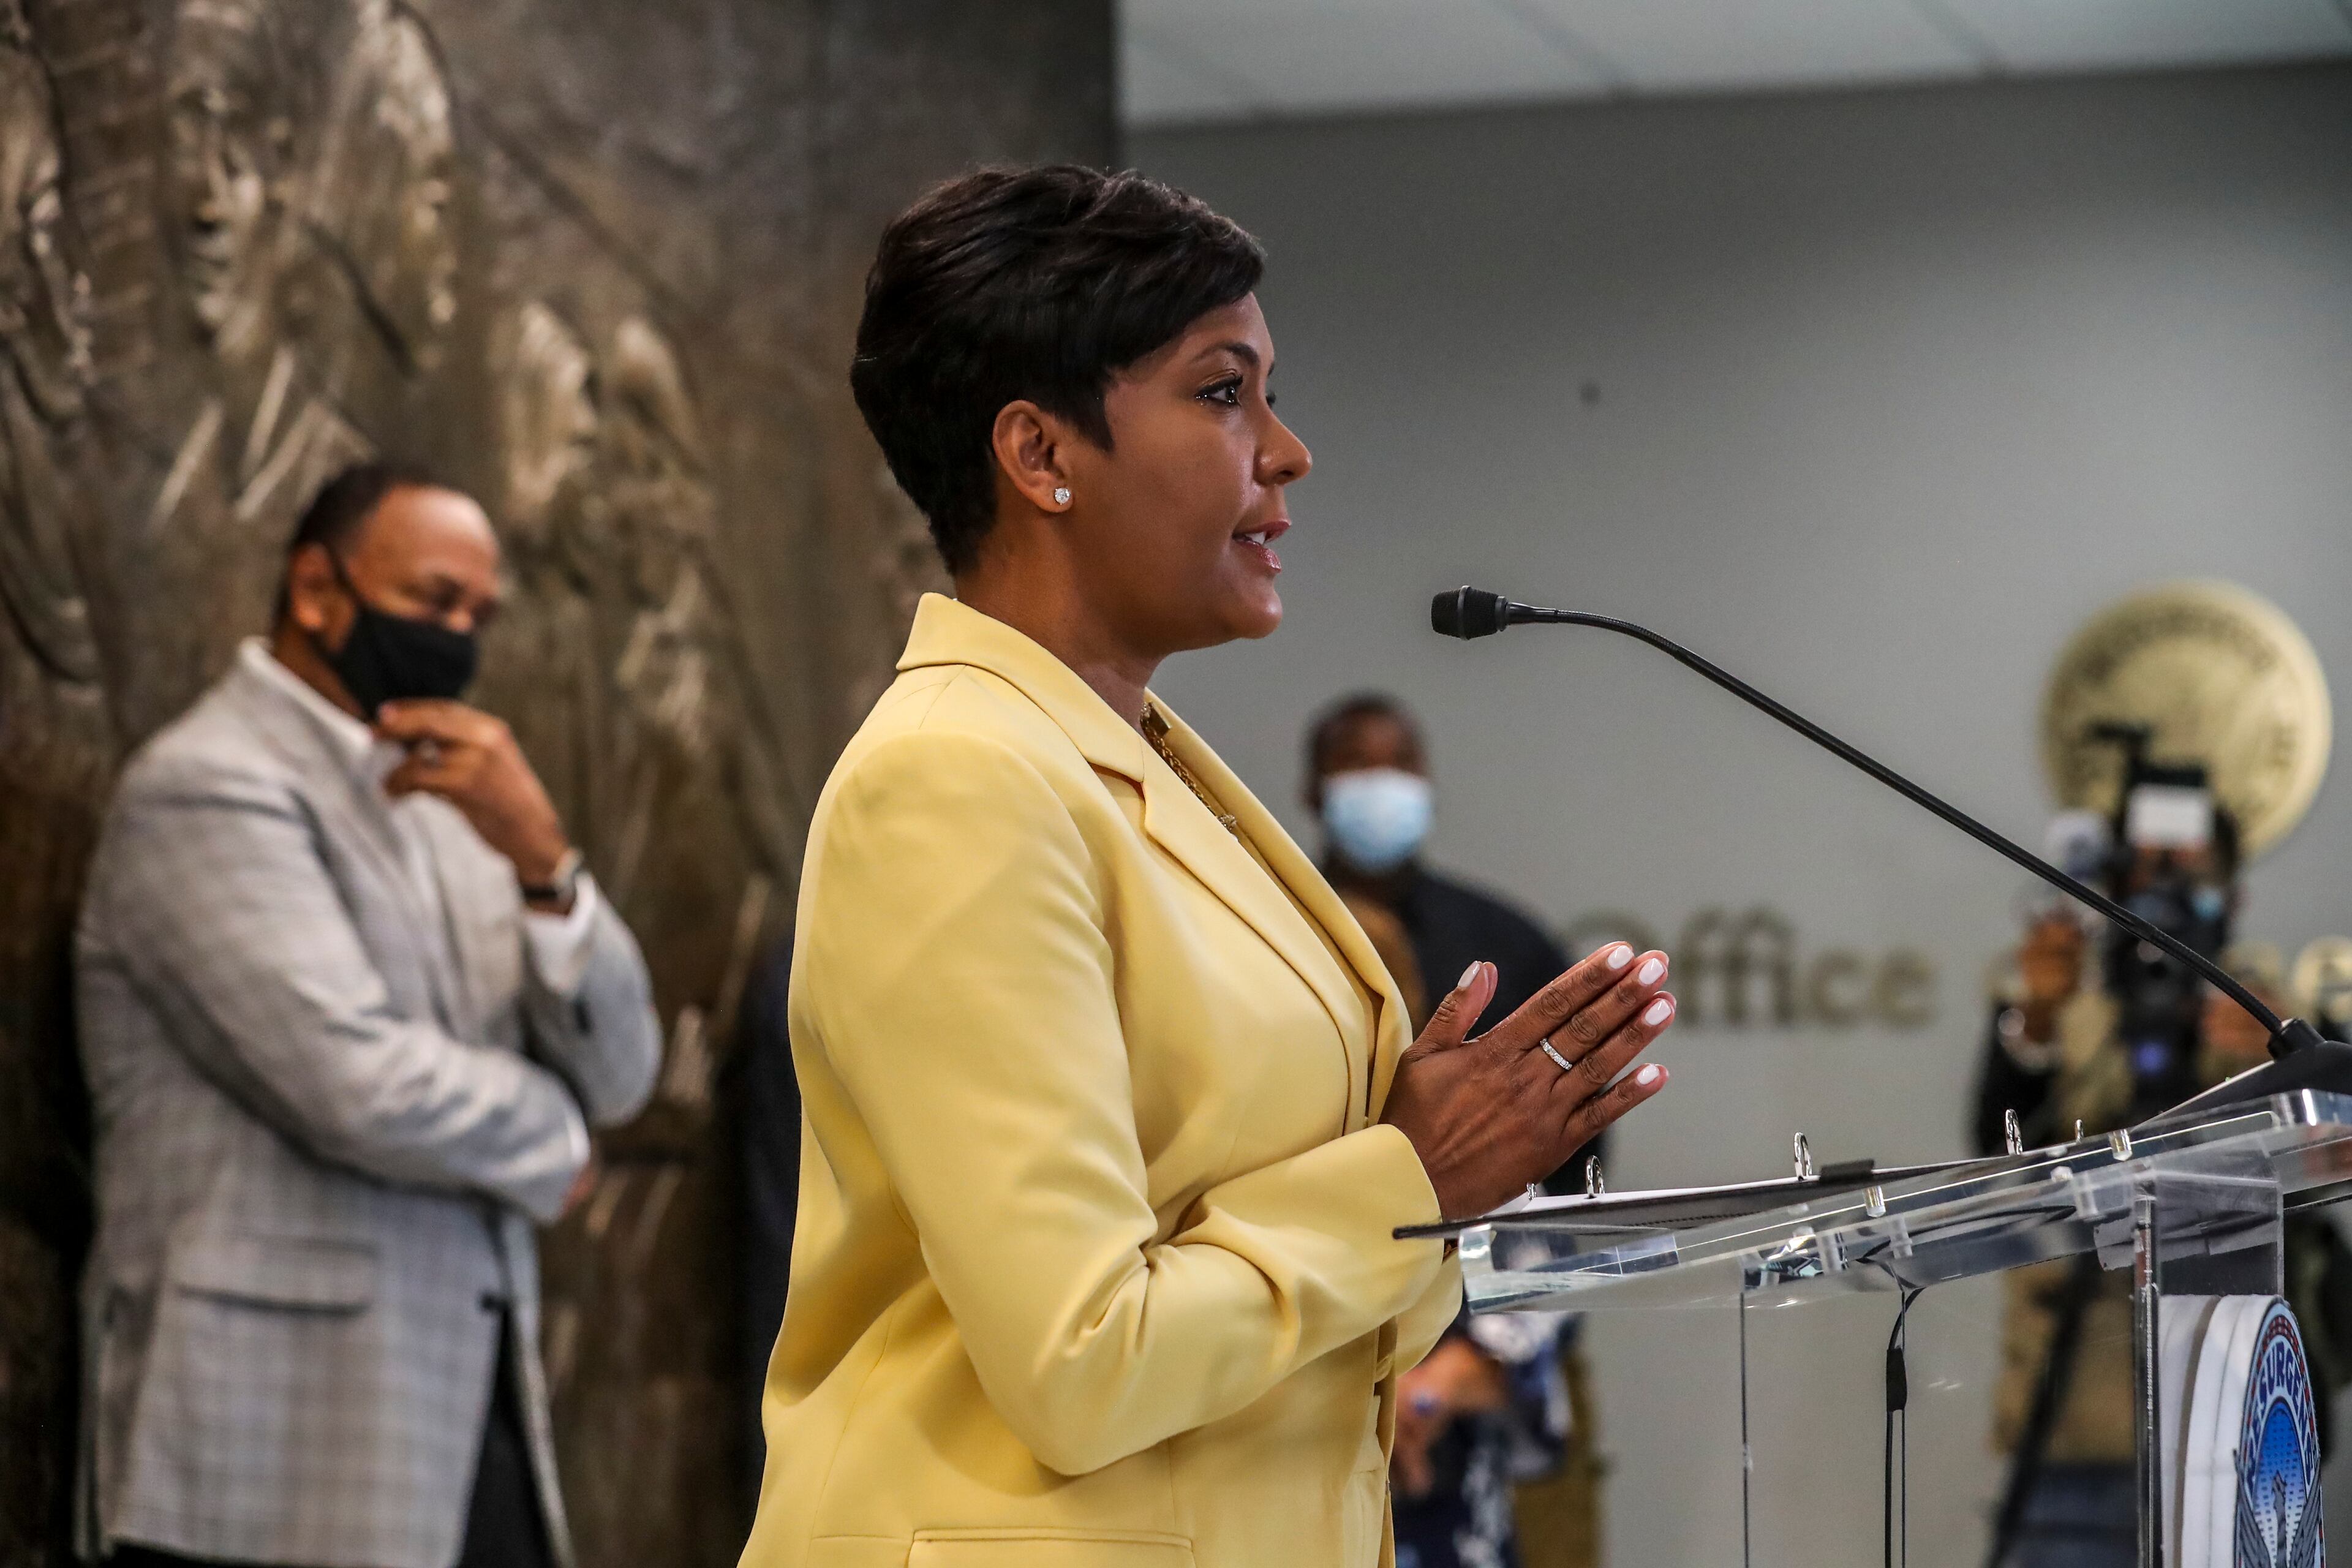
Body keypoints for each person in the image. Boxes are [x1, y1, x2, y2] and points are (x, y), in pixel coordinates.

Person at [739, 165, 1679, 1568]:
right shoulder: (957, 780)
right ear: (1041, 455)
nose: (1285, 450)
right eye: (1223, 391)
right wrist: (1406, 1170)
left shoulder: (1137, 759)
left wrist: (1427, 1178)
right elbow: (1083, 1357)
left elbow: (1308, 1278)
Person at [75, 462, 663, 1568]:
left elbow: (624, 1070)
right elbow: (353, 1080)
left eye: (478, 616)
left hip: (464, 1409)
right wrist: (558, 1142)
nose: (458, 636)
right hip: (275, 1438)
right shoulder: (207, 786)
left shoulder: (458, 803)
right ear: (316, 590)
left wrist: (545, 861)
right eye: (435, 602)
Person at [1971, 782, 2352, 1567]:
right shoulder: (2064, 1004)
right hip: (2079, 1420)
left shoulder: (2275, 1013)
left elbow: (2337, 1165)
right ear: (2111, 885)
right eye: (2147, 871)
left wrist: (2281, 1059)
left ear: (2233, 892)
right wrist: (2035, 1021)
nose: (2167, 892)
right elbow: (1992, 1147)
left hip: (2247, 1417)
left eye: (2190, 872)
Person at [1304, 693, 1598, 1568]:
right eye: (1358, 768)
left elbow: (1568, 1194)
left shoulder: (1504, 940)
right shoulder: (1267, 920)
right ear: (1314, 789)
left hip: (1466, 1417)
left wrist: (1432, 1390)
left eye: (1398, 767)